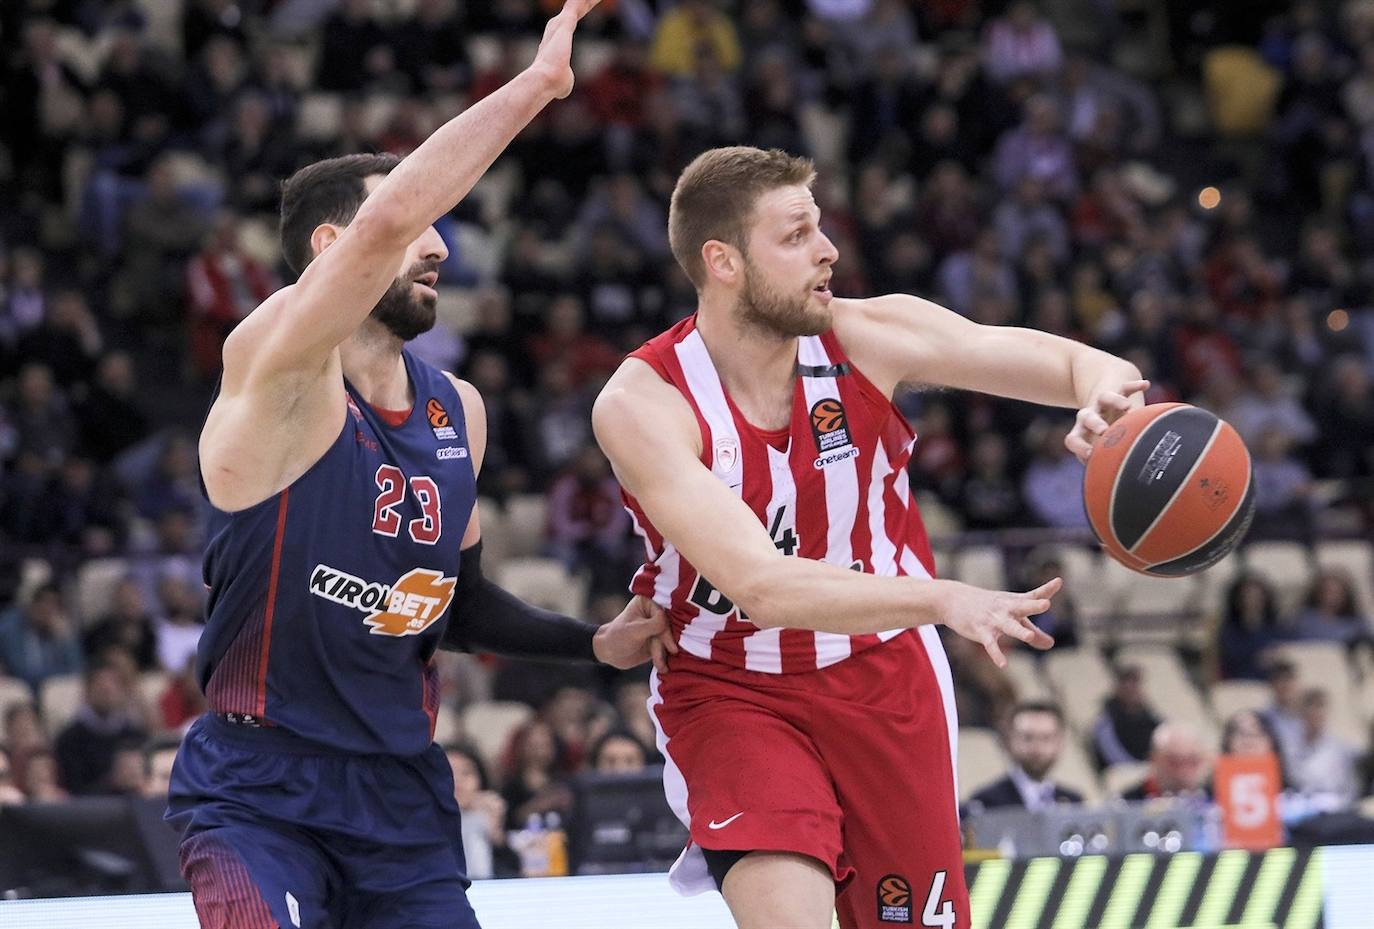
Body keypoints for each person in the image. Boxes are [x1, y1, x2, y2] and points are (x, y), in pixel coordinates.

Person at [164, 7, 673, 929]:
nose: (439, 244)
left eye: (441, 225)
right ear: (335, 249)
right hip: (260, 786)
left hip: (402, 794)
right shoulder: (273, 363)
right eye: (419, 225)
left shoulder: (458, 410)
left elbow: (461, 602)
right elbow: (394, 212)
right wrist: (538, 86)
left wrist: (592, 643)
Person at [593, 144, 1146, 929]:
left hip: (884, 673)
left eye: (820, 227)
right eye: (795, 236)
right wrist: (945, 596)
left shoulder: (869, 334)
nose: (827, 251)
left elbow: (1065, 359)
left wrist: (1100, 395)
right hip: (730, 685)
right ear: (722, 260)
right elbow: (765, 587)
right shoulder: (644, 401)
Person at [966, 702, 1083, 812]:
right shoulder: (986, 802)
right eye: (1028, 738)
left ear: (1060, 742)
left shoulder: (1074, 802)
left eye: (1046, 738)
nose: (1037, 748)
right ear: (1009, 741)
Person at [53, 660, 148, 795]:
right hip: (91, 811)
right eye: (101, 686)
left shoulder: (136, 735)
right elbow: (73, 790)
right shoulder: (69, 740)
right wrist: (113, 781)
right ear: (87, 691)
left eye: (113, 686)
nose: (108, 691)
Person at [1120, 721, 1212, 801]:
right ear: (1154, 760)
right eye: (1174, 762)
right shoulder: (1130, 803)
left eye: (1192, 761)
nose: (1184, 771)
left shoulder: (1217, 796)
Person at [1091, 664, 1161, 769]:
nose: (1134, 690)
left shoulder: (1151, 717)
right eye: (1128, 685)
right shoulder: (1105, 723)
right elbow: (1114, 756)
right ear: (1118, 688)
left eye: (1137, 684)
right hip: (1124, 774)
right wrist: (1144, 769)